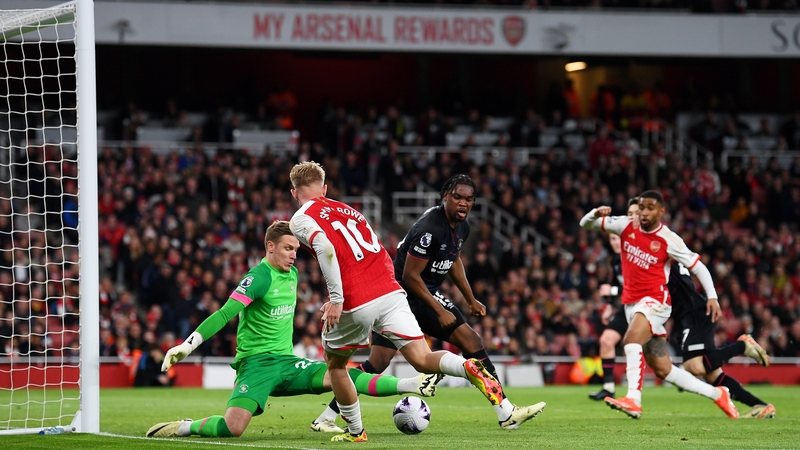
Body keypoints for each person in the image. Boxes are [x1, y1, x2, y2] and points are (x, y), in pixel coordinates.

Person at [288, 162, 542, 443]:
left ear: (293, 192)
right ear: (325, 189)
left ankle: (356, 432)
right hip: (392, 292)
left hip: (358, 298)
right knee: (420, 359)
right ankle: (464, 367)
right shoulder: (351, 210)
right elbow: (375, 251)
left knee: (336, 366)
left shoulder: (300, 218)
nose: (463, 203)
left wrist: (336, 299)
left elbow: (325, 248)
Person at [145, 221, 440, 439]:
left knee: (343, 374)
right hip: (256, 365)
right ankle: (184, 426)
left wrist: (332, 303)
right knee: (232, 428)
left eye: (296, 249)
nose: (294, 255)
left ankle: (411, 384)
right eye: (288, 248)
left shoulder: (294, 273)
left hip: (287, 363)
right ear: (270, 247)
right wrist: (188, 344)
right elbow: (225, 314)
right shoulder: (258, 277)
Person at [590, 199, 773, 418]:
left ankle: (741, 346)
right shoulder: (634, 253)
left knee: (695, 366)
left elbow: (695, 268)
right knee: (710, 374)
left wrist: (712, 296)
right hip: (679, 315)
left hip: (693, 311)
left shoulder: (658, 248)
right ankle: (759, 405)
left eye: (634, 216)